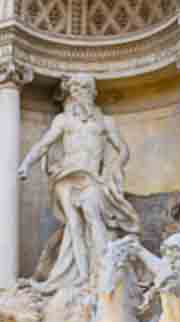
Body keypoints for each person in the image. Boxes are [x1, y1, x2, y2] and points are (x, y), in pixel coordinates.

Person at [18, 72, 140, 292]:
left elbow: (123, 149)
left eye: (83, 88)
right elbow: (44, 144)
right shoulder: (63, 120)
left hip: (91, 176)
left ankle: (103, 269)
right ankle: (83, 277)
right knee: (74, 225)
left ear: (92, 91)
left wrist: (114, 167)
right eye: (74, 90)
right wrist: (26, 163)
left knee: (94, 216)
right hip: (66, 176)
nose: (78, 94)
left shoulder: (105, 121)